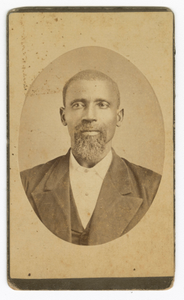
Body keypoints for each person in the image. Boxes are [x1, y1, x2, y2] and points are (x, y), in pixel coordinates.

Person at [20, 69, 161, 246]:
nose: (89, 116)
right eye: (78, 105)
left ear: (119, 116)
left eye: (102, 104)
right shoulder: (26, 183)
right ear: (64, 116)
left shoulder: (153, 187)